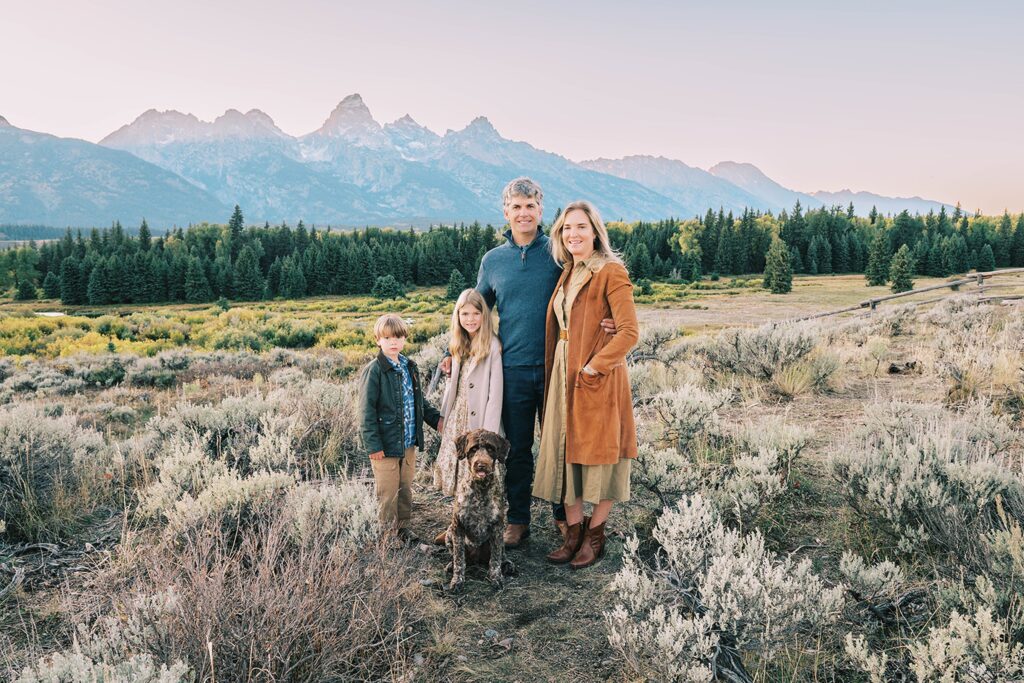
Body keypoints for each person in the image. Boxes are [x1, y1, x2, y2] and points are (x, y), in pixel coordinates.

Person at [465, 178, 617, 548]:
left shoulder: (558, 253)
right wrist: (455, 353)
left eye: (529, 206)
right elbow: (475, 310)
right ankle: (517, 521)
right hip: (512, 371)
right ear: (506, 212)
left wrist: (608, 319)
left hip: (557, 369)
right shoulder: (493, 260)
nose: (523, 213)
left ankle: (565, 520)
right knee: (516, 449)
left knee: (559, 448)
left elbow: (589, 285)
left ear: (540, 209)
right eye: (516, 207)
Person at [533, 200, 639, 570]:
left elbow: (628, 332)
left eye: (580, 227)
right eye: (566, 228)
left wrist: (595, 367)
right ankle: (573, 534)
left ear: (595, 231)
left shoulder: (610, 270)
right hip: (563, 372)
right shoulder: (568, 271)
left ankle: (596, 536)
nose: (573, 234)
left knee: (602, 457)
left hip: (596, 378)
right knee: (568, 454)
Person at [359, 313, 442, 543]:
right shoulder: (374, 370)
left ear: (404, 338)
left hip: (407, 443)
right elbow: (366, 412)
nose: (393, 342)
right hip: (384, 445)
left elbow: (419, 402)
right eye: (387, 338)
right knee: (388, 492)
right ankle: (388, 534)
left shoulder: (409, 367)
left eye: (397, 337)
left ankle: (403, 528)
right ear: (378, 340)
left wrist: (437, 421)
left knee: (405, 488)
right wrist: (373, 445)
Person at [431, 289, 503, 543]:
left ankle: (480, 531)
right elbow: (455, 385)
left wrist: (488, 433)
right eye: (465, 314)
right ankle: (455, 527)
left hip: (479, 421)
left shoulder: (492, 345)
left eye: (476, 313)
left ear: (484, 315)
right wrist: (444, 415)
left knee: (475, 478)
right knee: (457, 472)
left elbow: (495, 392)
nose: (470, 319)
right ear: (457, 316)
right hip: (458, 416)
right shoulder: (458, 343)